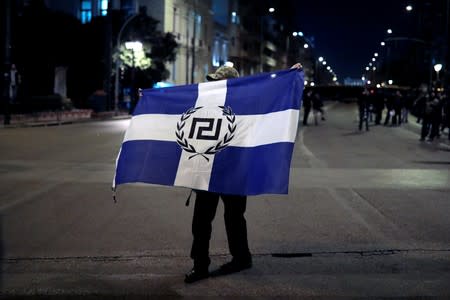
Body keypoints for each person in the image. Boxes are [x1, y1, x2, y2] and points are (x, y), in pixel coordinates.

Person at [185, 63, 303, 284]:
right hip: (207, 170)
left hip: (235, 172)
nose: (214, 85)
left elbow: (271, 93)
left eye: (219, 81)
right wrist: (149, 97)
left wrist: (290, 73)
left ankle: (241, 258)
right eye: (214, 81)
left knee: (234, 217)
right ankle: (200, 265)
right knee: (201, 220)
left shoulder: (249, 104)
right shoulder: (206, 102)